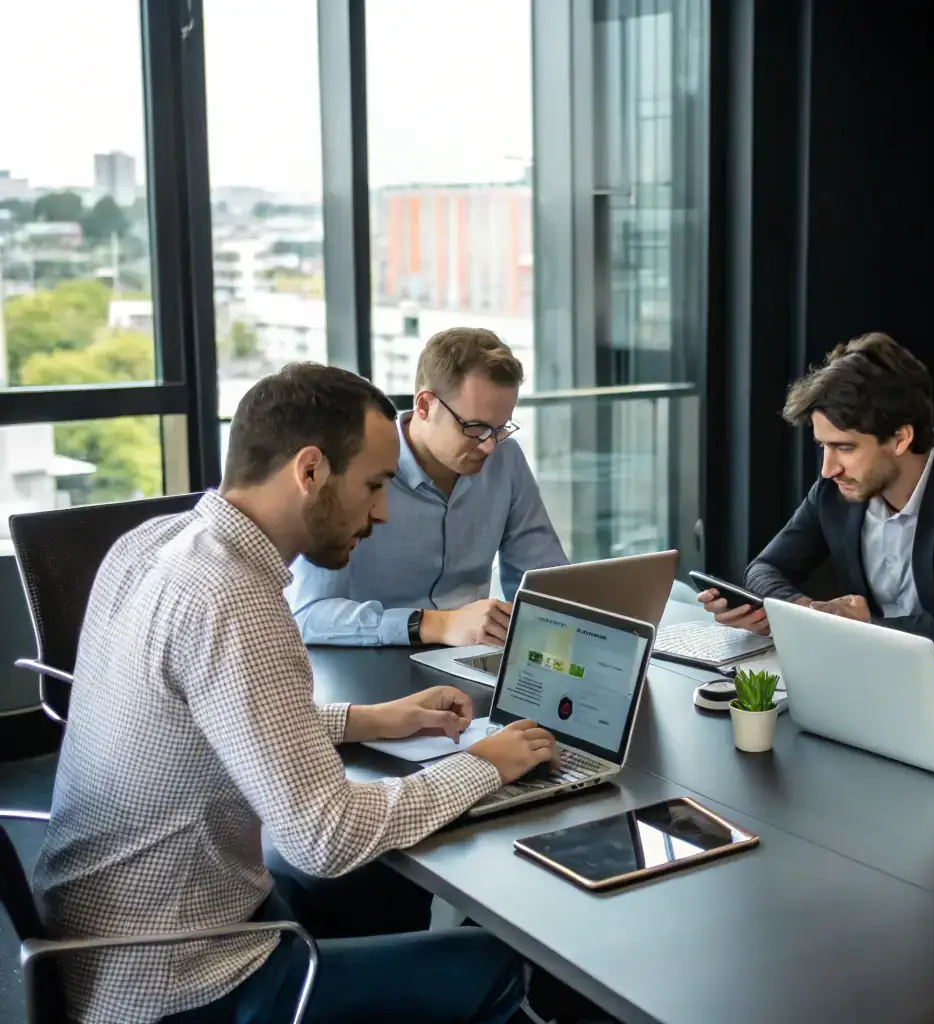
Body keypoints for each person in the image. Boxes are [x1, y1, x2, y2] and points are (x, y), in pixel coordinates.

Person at [34, 364, 561, 1024]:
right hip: (179, 980)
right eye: (373, 484)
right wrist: (485, 764)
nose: (382, 511)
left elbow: (219, 715)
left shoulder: (158, 542)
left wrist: (370, 719)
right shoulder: (237, 602)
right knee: (499, 964)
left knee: (370, 889)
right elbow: (328, 837)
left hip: (95, 945)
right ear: (309, 471)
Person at [700, 332, 934, 658]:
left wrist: (860, 627)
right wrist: (802, 612)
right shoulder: (838, 487)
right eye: (823, 446)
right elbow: (764, 569)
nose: (828, 468)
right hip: (869, 671)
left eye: (844, 447)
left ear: (901, 438)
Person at [287, 327, 566, 649]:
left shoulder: (507, 459)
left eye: (500, 429)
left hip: (470, 656)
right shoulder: (356, 464)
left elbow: (546, 581)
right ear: (425, 406)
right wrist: (436, 624)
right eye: (475, 428)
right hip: (371, 661)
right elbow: (306, 613)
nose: (489, 446)